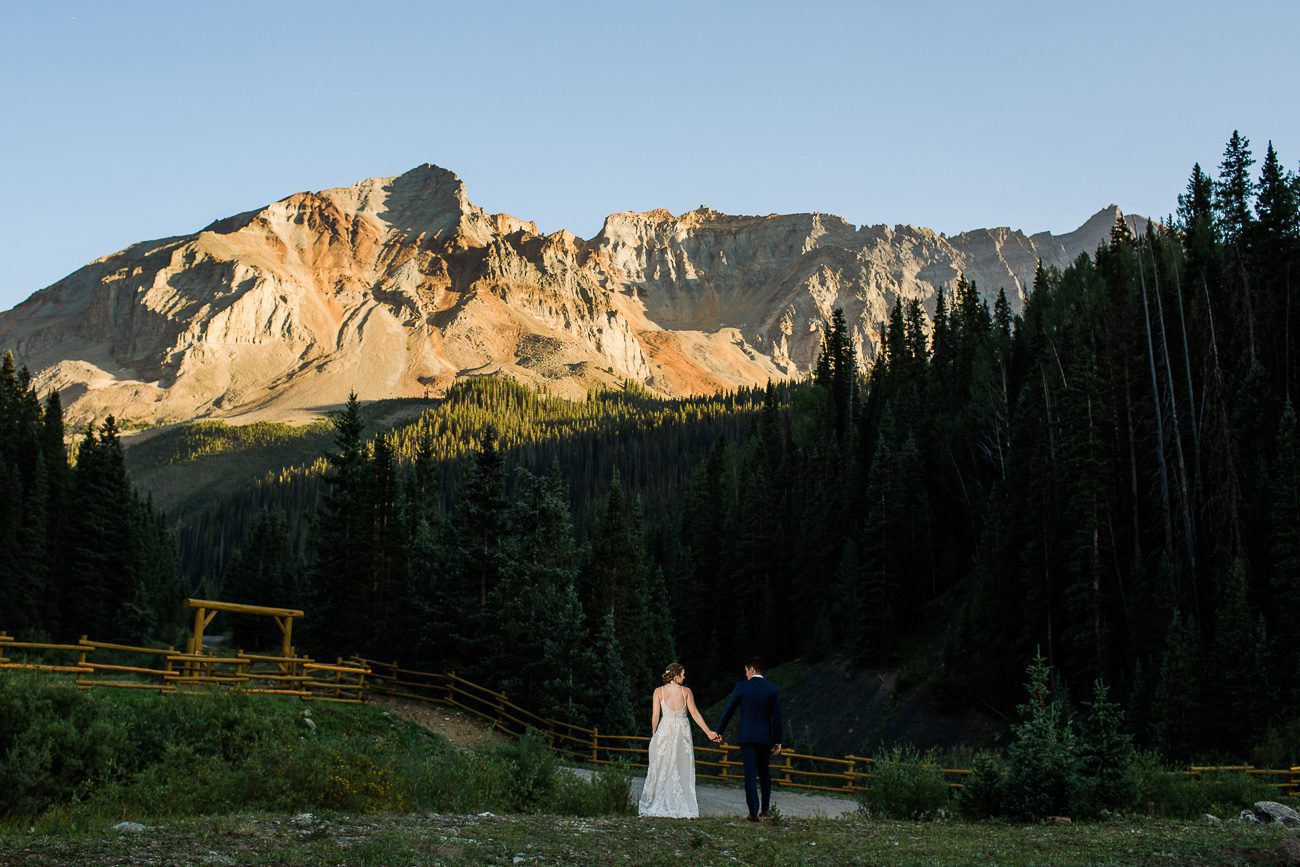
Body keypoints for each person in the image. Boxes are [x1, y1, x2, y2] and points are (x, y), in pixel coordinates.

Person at [637, 662, 719, 818]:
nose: (685, 676)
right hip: (682, 731)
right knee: (681, 766)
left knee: (663, 766)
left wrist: (654, 734)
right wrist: (708, 732)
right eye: (683, 673)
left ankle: (662, 802)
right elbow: (694, 714)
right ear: (675, 675)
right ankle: (679, 804)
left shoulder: (658, 691)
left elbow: (655, 716)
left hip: (665, 730)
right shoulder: (686, 691)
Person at [713, 656, 784, 821]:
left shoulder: (741, 687)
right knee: (764, 772)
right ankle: (765, 809)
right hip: (765, 738)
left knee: (750, 774)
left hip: (747, 737)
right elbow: (777, 718)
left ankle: (753, 812)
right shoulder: (772, 689)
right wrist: (778, 741)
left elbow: (728, 710)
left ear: (751, 669)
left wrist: (719, 731)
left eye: (746, 670)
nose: (745, 674)